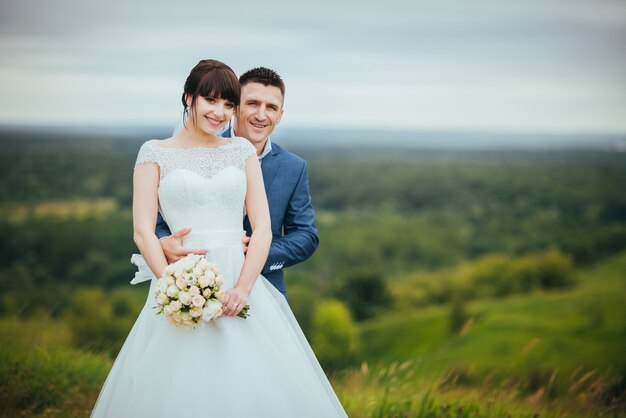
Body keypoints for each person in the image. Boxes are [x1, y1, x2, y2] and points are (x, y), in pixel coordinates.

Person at [90, 59, 347, 417]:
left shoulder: (275, 162)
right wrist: (174, 277)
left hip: (254, 287)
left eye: (269, 107)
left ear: (280, 114)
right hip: (184, 279)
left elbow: (296, 234)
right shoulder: (156, 152)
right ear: (190, 98)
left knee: (262, 392)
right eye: (243, 104)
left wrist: (246, 275)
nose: (223, 112)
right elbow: (148, 226)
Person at [156, 67, 318, 298]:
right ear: (235, 107)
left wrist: (255, 255)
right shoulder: (191, 151)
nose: (261, 115)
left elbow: (306, 236)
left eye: (271, 107)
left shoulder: (294, 167)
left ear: (280, 115)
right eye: (252, 103)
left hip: (264, 290)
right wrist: (164, 240)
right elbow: (157, 213)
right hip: (190, 284)